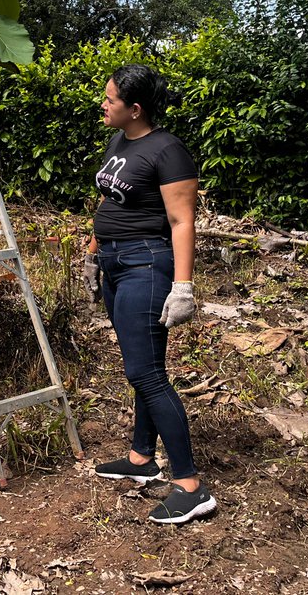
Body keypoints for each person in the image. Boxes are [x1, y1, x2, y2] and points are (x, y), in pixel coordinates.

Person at [83, 64, 216, 525]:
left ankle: (190, 485)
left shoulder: (168, 150)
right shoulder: (119, 141)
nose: (103, 103)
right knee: (143, 369)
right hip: (117, 264)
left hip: (147, 265)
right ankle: (142, 458)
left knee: (146, 373)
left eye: (110, 98)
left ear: (135, 108)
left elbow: (182, 221)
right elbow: (110, 198)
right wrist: (94, 252)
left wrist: (183, 285)